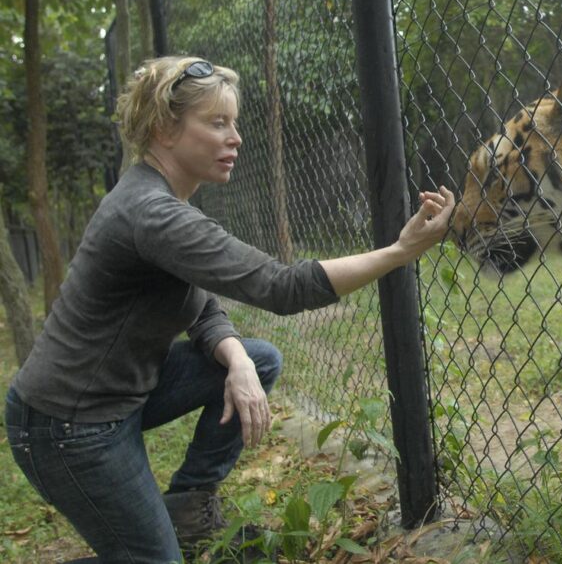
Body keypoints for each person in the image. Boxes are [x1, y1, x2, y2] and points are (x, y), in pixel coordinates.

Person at [4, 56, 454, 563]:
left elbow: (198, 307)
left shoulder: (160, 201)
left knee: (257, 359)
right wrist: (398, 252)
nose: (235, 137)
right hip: (69, 426)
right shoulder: (153, 214)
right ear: (163, 130)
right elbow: (282, 288)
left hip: (113, 399)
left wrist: (237, 363)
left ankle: (189, 504)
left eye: (234, 123)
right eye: (217, 123)